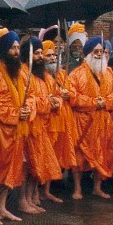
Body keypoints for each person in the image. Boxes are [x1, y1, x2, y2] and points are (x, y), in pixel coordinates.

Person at [0, 31, 34, 225]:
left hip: (16, 131)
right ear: (3, 50)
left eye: (18, 47)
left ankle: (1, 208)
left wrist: (27, 110)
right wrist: (14, 114)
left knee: (11, 169)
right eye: (13, 47)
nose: (17, 51)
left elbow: (29, 97)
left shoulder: (20, 75)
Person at [69, 36, 113, 199]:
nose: (99, 54)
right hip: (83, 121)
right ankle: (77, 188)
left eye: (101, 51)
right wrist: (93, 102)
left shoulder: (109, 72)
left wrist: (105, 102)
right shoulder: (76, 73)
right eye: (96, 51)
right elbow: (72, 96)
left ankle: (97, 188)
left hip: (105, 121)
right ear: (87, 54)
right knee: (79, 155)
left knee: (103, 153)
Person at [20, 37, 61, 213]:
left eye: (40, 53)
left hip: (41, 128)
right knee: (26, 166)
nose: (39, 57)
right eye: (35, 53)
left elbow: (54, 95)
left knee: (36, 166)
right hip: (27, 128)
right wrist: (46, 103)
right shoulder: (22, 74)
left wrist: (56, 102)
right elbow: (28, 101)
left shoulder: (43, 76)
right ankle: (22, 200)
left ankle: (30, 198)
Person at [40, 40, 77, 203]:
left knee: (58, 156)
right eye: (48, 55)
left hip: (64, 120)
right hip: (49, 121)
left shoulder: (62, 73)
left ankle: (49, 189)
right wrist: (55, 100)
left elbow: (72, 91)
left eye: (54, 54)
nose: (53, 58)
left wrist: (68, 94)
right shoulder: (41, 75)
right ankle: (43, 190)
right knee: (47, 156)